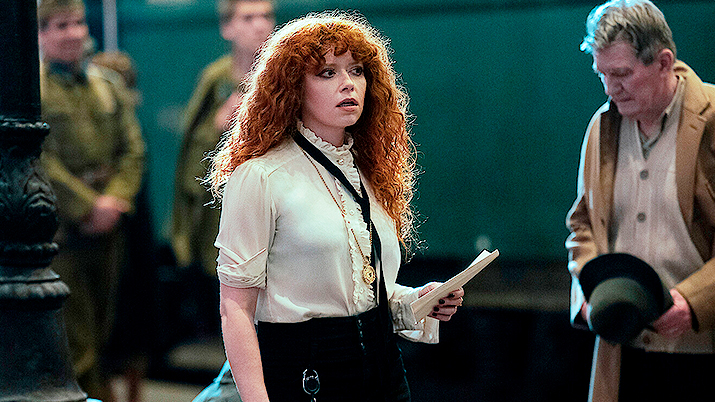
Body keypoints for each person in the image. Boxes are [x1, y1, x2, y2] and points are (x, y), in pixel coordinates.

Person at [206, 12, 465, 402]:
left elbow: (358, 293)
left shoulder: (369, 170)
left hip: (385, 373)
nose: (348, 83)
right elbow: (235, 309)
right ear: (293, 87)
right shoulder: (261, 177)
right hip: (307, 375)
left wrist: (416, 301)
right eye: (327, 73)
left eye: (357, 70)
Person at [565, 1, 715, 401]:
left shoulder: (712, 117)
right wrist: (588, 290)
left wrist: (695, 302)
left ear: (663, 62)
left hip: (702, 350)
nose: (609, 89)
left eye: (621, 74)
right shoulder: (602, 125)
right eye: (601, 74)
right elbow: (582, 224)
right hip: (623, 348)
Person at [38, 0, 146, 400]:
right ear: (41, 34)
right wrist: (88, 207)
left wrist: (115, 200)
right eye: (61, 25)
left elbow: (133, 149)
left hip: (107, 229)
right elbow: (40, 158)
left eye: (78, 23)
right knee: (77, 344)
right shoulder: (34, 90)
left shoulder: (107, 86)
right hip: (63, 234)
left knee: (102, 332)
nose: (73, 33)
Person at [172, 0, 275, 276]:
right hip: (223, 204)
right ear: (227, 27)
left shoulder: (287, 75)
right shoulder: (216, 78)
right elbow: (190, 151)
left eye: (266, 16)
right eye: (248, 18)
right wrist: (218, 124)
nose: (260, 25)